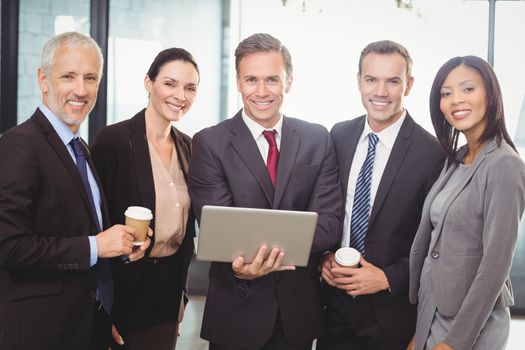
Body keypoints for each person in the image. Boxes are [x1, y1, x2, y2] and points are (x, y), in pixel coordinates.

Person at [188, 33, 343, 350]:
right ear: (238, 81)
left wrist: (261, 248)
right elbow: (218, 229)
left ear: (289, 81)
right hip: (235, 312)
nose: (261, 92)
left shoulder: (318, 138)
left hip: (297, 316)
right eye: (251, 80)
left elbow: (329, 223)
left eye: (272, 79)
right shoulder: (209, 143)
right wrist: (288, 241)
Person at [0, 31, 151, 350]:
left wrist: (119, 247)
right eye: (68, 76)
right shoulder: (19, 145)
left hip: (87, 327)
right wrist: (96, 246)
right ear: (43, 79)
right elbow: (8, 246)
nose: (81, 90)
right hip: (40, 334)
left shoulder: (80, 147)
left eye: (91, 78)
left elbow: (78, 233)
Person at [317, 40, 445, 350]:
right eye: (372, 79)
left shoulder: (433, 153)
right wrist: (322, 257)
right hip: (333, 309)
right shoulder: (338, 135)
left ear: (408, 84)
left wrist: (388, 278)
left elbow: (439, 243)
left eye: (393, 81)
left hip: (393, 314)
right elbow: (328, 209)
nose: (381, 91)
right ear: (359, 81)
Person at [408, 56, 525, 350]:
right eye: (446, 93)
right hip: (435, 313)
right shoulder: (457, 158)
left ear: (491, 95)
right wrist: (420, 333)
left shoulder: (504, 165)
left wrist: (455, 342)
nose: (455, 100)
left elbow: (495, 266)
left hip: (471, 324)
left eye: (468, 89)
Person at [91, 47, 199, 349]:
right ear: (148, 83)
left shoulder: (189, 147)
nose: (180, 95)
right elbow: (92, 221)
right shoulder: (113, 141)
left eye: (190, 88)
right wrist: (103, 310)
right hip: (125, 292)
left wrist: (180, 302)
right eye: (170, 83)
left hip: (168, 293)